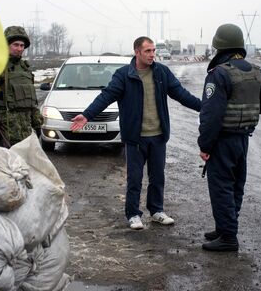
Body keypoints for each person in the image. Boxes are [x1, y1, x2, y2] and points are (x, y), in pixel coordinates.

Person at [70, 36, 201, 230]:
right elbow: (106, 96)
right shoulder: (124, 75)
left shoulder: (162, 73)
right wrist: (87, 115)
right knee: (135, 178)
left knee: (157, 177)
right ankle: (133, 214)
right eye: (148, 51)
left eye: (153, 51)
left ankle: (156, 211)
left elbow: (182, 95)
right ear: (137, 52)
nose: (152, 55)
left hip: (158, 136)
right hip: (135, 137)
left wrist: (204, 107)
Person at [197, 24, 261, 252]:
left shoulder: (219, 74)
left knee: (221, 188)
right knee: (235, 186)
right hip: (243, 139)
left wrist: (205, 145)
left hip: (222, 141)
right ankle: (225, 227)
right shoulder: (257, 72)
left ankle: (228, 237)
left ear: (219, 46)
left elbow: (211, 115)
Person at [0, 25, 43, 147]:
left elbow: (31, 101)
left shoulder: (24, 69)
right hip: (4, 133)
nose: (19, 49)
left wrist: (37, 124)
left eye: (22, 46)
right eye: (15, 45)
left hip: (25, 133)